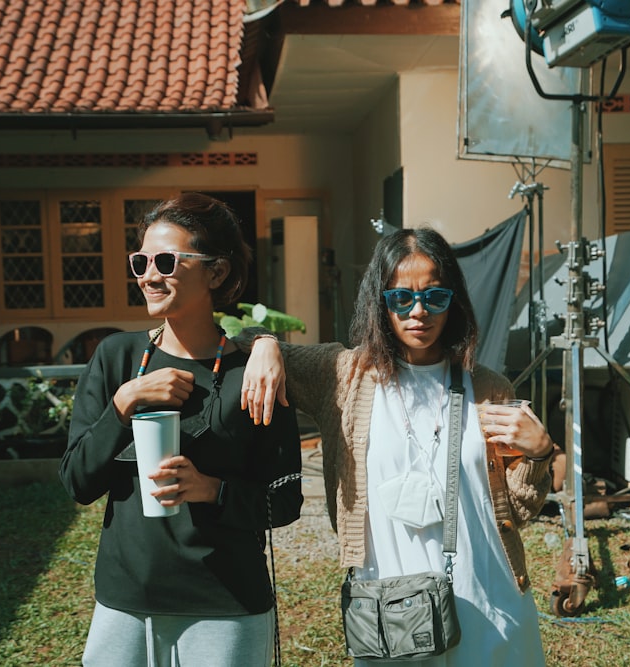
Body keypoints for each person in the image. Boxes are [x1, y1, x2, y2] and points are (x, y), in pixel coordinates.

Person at [238, 227, 554, 666]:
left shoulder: (489, 389)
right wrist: (265, 343)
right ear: (379, 303)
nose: (418, 311)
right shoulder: (344, 377)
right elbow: (236, 339)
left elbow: (517, 510)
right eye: (401, 299)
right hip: (389, 607)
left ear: (453, 301)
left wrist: (539, 455)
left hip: (487, 598)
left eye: (434, 297)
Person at [58, 193, 304, 666]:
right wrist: (124, 404)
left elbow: (286, 500)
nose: (149, 275)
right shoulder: (117, 359)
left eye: (167, 262)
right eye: (141, 262)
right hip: (126, 599)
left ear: (217, 272)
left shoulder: (251, 377)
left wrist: (211, 489)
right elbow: (77, 482)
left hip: (225, 604)